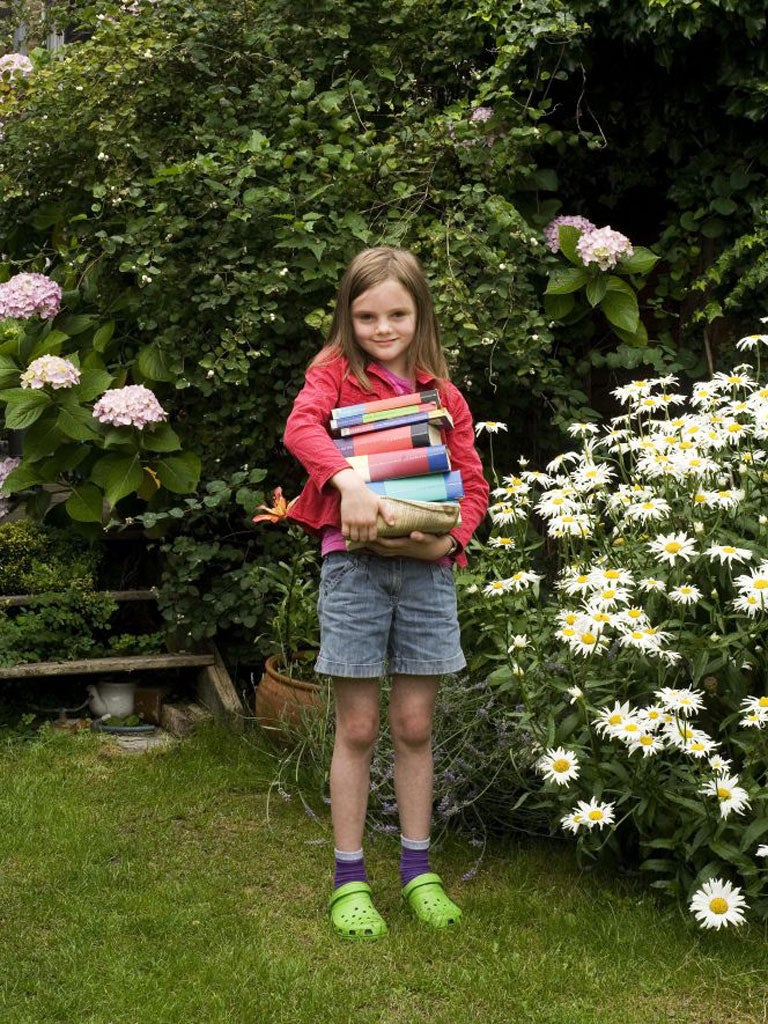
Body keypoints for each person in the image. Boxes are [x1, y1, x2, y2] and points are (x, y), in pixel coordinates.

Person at [283, 246, 489, 940]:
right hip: (354, 571)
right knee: (357, 728)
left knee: (415, 726)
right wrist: (348, 485)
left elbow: (473, 484)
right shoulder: (333, 378)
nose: (382, 328)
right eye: (367, 316)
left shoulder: (444, 397)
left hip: (427, 574)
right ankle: (349, 879)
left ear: (419, 314)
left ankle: (418, 872)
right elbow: (300, 428)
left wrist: (448, 543)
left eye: (397, 314)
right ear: (348, 317)